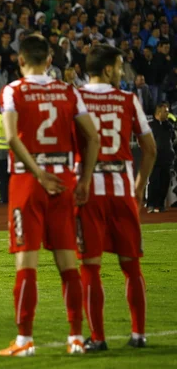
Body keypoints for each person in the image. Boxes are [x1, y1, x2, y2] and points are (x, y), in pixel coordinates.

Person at [0, 34, 100, 357]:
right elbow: (93, 138)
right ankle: (76, 338)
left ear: (21, 60)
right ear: (50, 61)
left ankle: (24, 341)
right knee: (69, 264)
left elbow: (12, 138)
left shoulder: (13, 90)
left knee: (27, 263)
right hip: (65, 181)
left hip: (29, 182)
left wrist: (39, 174)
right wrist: (83, 180)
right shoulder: (69, 91)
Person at [76, 44, 157, 352]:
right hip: (122, 189)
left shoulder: (76, 99)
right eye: (120, 67)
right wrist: (138, 187)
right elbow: (149, 150)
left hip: (89, 190)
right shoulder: (127, 99)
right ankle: (138, 335)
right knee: (132, 266)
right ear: (108, 69)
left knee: (91, 267)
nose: (123, 72)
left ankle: (97, 338)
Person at [147, 103, 175, 213]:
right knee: (154, 182)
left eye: (167, 111)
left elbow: (172, 139)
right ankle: (151, 204)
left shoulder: (169, 125)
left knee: (165, 182)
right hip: (154, 159)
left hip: (167, 158)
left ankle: (160, 204)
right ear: (158, 113)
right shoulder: (150, 125)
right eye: (165, 111)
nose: (167, 113)